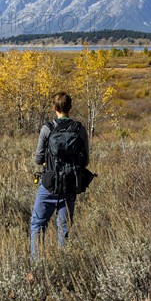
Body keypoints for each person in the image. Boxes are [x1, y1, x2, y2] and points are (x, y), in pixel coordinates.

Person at [30, 92, 89, 258]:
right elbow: (85, 161)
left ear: (54, 108)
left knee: (38, 224)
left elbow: (38, 158)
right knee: (64, 227)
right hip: (70, 185)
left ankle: (37, 263)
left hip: (49, 184)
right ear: (70, 107)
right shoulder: (80, 129)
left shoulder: (47, 128)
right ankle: (63, 262)